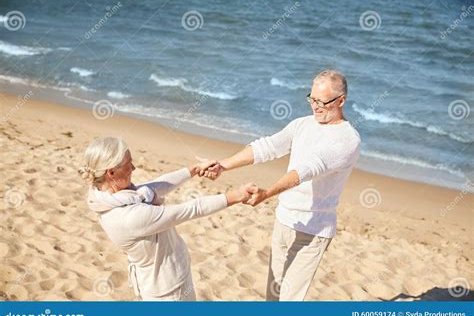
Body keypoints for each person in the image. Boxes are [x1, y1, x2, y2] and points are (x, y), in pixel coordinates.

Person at [200, 69, 361, 301]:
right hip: (283, 220)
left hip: (312, 231)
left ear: (341, 101)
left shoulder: (347, 140)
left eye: (322, 102)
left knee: (288, 302)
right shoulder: (303, 124)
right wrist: (223, 165)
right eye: (312, 99)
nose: (315, 106)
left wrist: (267, 193)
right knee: (272, 297)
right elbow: (268, 147)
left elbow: (308, 169)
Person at [79, 137, 255, 301]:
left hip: (160, 283)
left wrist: (195, 169)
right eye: (128, 164)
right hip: (169, 291)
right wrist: (237, 195)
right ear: (111, 172)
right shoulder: (130, 217)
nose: (134, 168)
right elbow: (192, 209)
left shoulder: (107, 196)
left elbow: (155, 187)